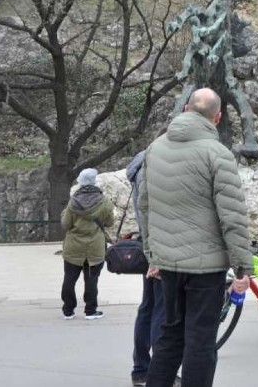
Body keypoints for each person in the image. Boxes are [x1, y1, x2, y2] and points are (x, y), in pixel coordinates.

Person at [139, 88, 251, 387]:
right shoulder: (218, 154)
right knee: (200, 342)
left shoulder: (156, 148)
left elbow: (145, 205)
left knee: (169, 337)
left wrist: (153, 256)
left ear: (186, 108)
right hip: (206, 269)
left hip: (169, 265)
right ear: (218, 118)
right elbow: (233, 218)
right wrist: (243, 268)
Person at [126, 149, 166, 387]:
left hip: (148, 244)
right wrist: (155, 255)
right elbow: (150, 210)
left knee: (148, 308)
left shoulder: (139, 166)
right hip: (158, 247)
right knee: (161, 311)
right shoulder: (152, 166)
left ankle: (141, 368)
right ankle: (157, 371)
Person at [60, 168, 114, 320]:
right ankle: (90, 310)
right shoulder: (104, 201)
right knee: (91, 279)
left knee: (69, 278)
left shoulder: (73, 202)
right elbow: (109, 222)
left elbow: (65, 224)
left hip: (73, 246)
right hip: (95, 246)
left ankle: (68, 310)